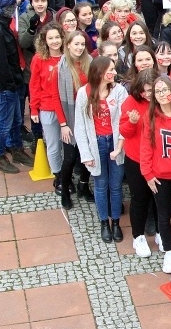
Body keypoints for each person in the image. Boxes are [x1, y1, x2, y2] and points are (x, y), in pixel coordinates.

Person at [74, 56, 127, 243]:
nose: (113, 73)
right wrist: (86, 154)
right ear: (99, 72)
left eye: (114, 69)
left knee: (115, 185)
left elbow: (124, 121)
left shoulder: (119, 91)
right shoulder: (84, 93)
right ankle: (104, 222)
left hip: (115, 143)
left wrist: (120, 145)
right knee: (100, 184)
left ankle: (116, 222)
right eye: (109, 70)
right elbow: (80, 126)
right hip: (96, 144)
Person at [141, 76, 171, 273]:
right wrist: (147, 173)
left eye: (164, 90)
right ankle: (168, 251)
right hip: (159, 174)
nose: (162, 94)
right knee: (163, 214)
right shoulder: (151, 115)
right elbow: (145, 145)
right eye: (157, 91)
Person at [0, 0, 34, 173]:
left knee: (16, 120)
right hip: (4, 85)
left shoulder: (0, 24)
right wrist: (12, 83)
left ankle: (17, 149)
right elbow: (0, 64)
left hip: (11, 82)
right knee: (4, 122)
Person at [120, 68, 158, 257]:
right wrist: (131, 122)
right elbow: (124, 133)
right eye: (146, 91)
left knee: (160, 199)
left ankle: (160, 231)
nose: (148, 95)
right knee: (140, 199)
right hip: (136, 159)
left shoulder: (164, 101)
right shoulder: (130, 102)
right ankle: (138, 237)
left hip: (159, 159)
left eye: (152, 90)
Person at [29, 22, 66, 192]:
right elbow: (34, 85)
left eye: (57, 37)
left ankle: (67, 174)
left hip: (67, 108)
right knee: (53, 145)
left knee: (68, 145)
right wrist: (34, 108)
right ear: (44, 40)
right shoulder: (39, 59)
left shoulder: (68, 56)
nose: (54, 41)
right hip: (48, 108)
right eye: (50, 38)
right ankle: (58, 176)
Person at [57, 31, 92, 209]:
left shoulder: (90, 62)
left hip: (88, 115)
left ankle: (84, 185)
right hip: (70, 117)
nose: (79, 47)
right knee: (70, 158)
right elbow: (56, 97)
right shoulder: (61, 66)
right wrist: (63, 124)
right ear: (68, 44)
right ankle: (64, 191)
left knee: (88, 154)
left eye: (82, 44)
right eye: (76, 44)